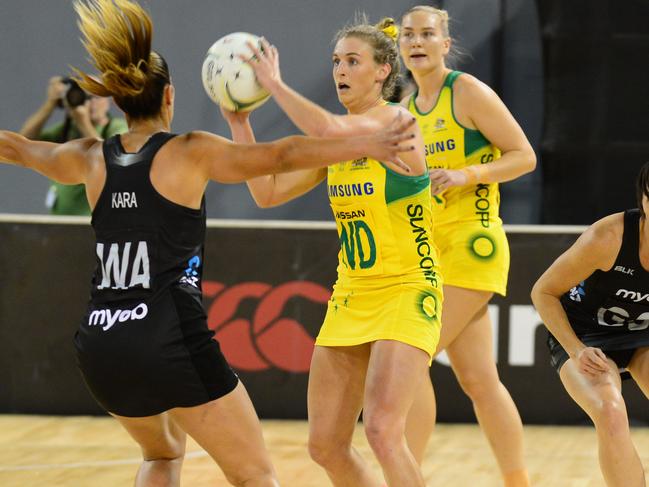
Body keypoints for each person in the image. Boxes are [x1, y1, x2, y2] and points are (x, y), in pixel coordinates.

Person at [0, 1, 418, 486]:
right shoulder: (190, 150)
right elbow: (281, 153)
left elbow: (16, 147)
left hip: (100, 343)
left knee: (162, 455)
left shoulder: (89, 157)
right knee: (255, 475)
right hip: (168, 337)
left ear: (118, 101)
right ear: (170, 97)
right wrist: (366, 144)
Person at [234, 16, 442, 487]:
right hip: (352, 293)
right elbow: (265, 192)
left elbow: (328, 130)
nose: (341, 71)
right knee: (325, 445)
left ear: (383, 72)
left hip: (407, 289)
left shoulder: (397, 123)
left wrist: (274, 84)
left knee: (384, 433)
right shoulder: (337, 142)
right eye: (336, 62)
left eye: (353, 61)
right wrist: (240, 123)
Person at [398, 5, 537, 486]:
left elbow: (524, 156)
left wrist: (467, 173)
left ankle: (405, 476)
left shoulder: (467, 92)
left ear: (445, 42)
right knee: (479, 380)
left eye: (427, 34)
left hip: (472, 245)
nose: (416, 41)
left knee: (407, 359)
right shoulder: (407, 108)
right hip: (431, 253)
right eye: (408, 35)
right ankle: (517, 480)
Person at [531, 162, 649, 487]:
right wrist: (577, 349)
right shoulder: (608, 237)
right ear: (644, 201)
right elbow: (543, 291)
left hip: (641, 335)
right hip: (585, 333)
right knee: (610, 412)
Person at [20, 76, 127, 215]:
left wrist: (83, 121)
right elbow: (25, 140)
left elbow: (110, 160)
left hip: (92, 223)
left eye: (96, 97)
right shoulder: (68, 131)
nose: (91, 103)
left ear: (109, 100)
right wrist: (51, 104)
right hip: (59, 222)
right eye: (85, 97)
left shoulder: (116, 127)